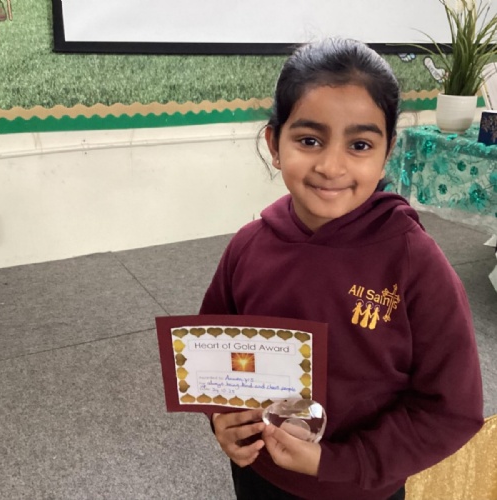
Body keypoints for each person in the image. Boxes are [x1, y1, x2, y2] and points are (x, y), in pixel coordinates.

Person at [199, 37, 484, 500]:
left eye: (359, 144)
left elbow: (452, 410)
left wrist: (337, 463)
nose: (331, 166)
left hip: (359, 488)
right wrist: (219, 420)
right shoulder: (248, 247)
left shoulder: (415, 263)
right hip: (259, 475)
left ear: (387, 151)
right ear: (274, 144)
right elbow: (208, 358)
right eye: (309, 140)